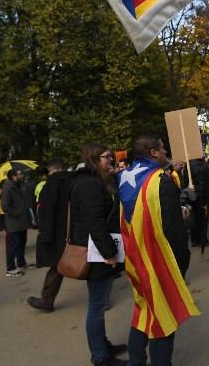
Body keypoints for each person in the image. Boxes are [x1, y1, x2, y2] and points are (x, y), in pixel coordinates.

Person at [118, 135, 198, 366]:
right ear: (153, 152)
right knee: (164, 317)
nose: (165, 153)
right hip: (158, 259)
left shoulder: (125, 176)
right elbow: (172, 230)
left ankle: (136, 361)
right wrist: (181, 262)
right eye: (163, 149)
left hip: (136, 256)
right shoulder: (160, 180)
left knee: (143, 312)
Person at [71, 144, 126, 366]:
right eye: (107, 158)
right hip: (97, 254)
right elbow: (95, 223)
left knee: (99, 303)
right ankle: (100, 356)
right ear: (94, 159)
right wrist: (109, 253)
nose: (111, 160)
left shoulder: (95, 181)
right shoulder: (88, 185)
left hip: (100, 250)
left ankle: (102, 346)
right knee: (97, 305)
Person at [28, 159, 74, 312]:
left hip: (59, 233)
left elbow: (47, 211)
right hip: (77, 229)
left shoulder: (52, 184)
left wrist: (45, 236)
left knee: (57, 266)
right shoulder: (75, 180)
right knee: (87, 261)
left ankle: (46, 301)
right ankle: (101, 298)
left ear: (52, 171)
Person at [1, 169, 32, 276]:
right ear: (14, 176)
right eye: (20, 174)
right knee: (12, 246)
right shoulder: (8, 187)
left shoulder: (19, 185)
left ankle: (21, 263)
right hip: (14, 223)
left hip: (22, 222)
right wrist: (17, 213)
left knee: (21, 244)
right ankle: (10, 268)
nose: (22, 175)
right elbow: (5, 206)